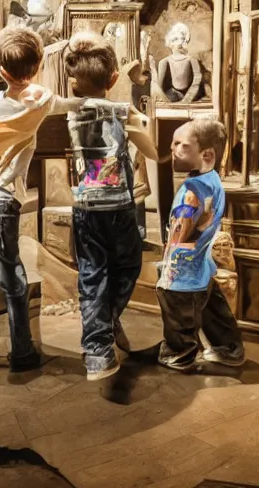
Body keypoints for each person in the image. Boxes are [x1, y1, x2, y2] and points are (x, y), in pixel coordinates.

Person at [0, 25, 80, 372]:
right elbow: (67, 103)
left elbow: (21, 70)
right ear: (39, 66)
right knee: (12, 281)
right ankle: (22, 352)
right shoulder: (38, 99)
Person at [63, 32, 159, 380]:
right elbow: (152, 152)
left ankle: (98, 353)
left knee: (92, 276)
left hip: (86, 208)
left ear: (73, 82)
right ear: (114, 79)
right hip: (118, 205)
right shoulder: (121, 112)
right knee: (130, 263)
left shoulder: (70, 110)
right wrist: (137, 118)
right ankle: (108, 320)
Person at [156, 118, 245, 371]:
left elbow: (179, 234)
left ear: (207, 155)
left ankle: (179, 355)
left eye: (181, 146)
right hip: (202, 264)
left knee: (178, 316)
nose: (173, 150)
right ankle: (228, 350)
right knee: (212, 312)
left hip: (182, 270)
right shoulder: (213, 180)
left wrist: (167, 263)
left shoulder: (193, 190)